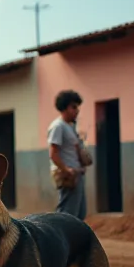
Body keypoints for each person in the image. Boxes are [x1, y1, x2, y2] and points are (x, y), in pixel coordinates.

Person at [47, 89, 87, 220]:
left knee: (79, 214)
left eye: (77, 107)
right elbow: (53, 153)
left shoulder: (69, 127)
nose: (77, 110)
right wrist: (66, 170)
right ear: (64, 108)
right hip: (68, 176)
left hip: (76, 174)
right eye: (73, 107)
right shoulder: (58, 126)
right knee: (67, 215)